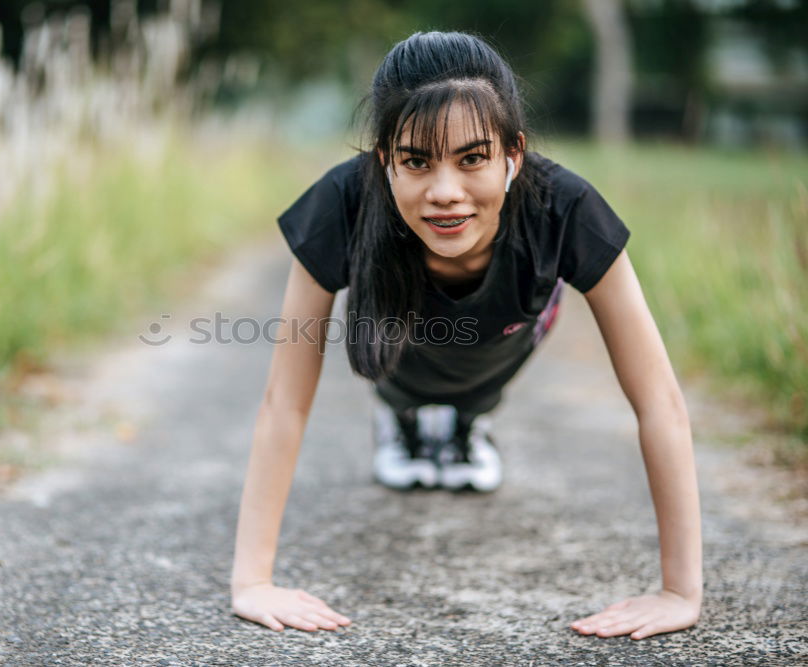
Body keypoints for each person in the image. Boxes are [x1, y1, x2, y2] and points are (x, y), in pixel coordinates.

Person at [230, 31, 702, 641]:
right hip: (401, 329)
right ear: (384, 160)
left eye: (473, 158)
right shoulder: (342, 201)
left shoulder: (566, 207)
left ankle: (464, 420)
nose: (445, 191)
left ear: (514, 155)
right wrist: (253, 581)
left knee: (474, 372)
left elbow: (659, 400)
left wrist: (678, 591)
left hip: (506, 325)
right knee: (408, 373)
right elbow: (284, 403)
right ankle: (403, 419)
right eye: (417, 161)